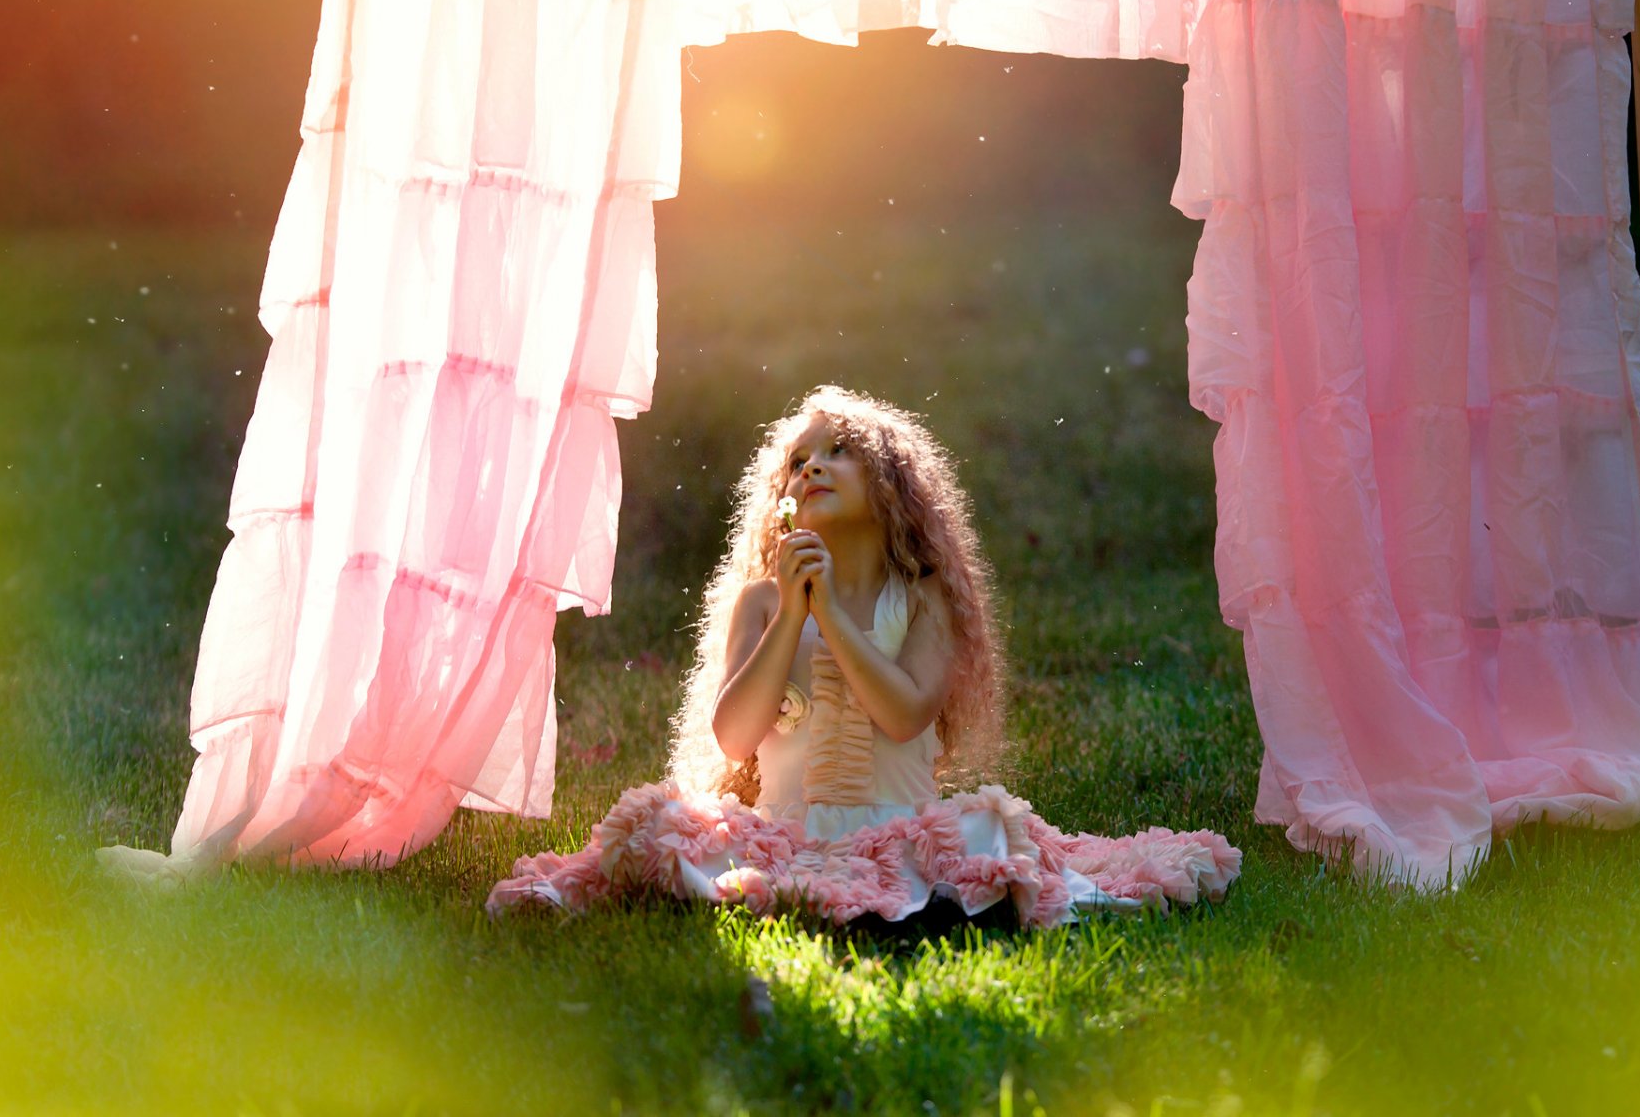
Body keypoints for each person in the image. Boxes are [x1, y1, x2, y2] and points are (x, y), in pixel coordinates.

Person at [488, 386, 1239, 927]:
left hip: (898, 826)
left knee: (984, 839)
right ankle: (837, 890)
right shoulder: (762, 603)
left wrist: (832, 620)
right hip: (788, 827)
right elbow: (735, 739)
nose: (811, 467)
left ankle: (915, 893)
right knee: (663, 829)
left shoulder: (922, 599)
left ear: (889, 490)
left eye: (838, 453)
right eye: (799, 461)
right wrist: (791, 613)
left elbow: (905, 713)